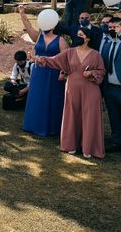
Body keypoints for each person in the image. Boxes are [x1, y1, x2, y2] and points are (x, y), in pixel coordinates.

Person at [32, 27, 105, 158]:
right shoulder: (69, 52)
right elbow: (54, 60)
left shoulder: (96, 54)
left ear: (87, 38)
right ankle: (70, 145)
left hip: (90, 90)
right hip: (72, 88)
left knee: (89, 117)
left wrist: (91, 73)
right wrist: (38, 58)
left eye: (80, 35)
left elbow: (101, 72)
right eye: (76, 35)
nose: (77, 37)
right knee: (72, 115)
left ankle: (88, 148)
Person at [19, 5, 68, 137]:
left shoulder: (61, 40)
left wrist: (62, 73)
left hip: (53, 73)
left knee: (51, 99)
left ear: (53, 26)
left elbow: (65, 58)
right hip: (39, 72)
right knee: (37, 98)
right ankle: (33, 124)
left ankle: (51, 127)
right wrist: (22, 14)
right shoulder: (38, 37)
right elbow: (29, 28)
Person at [101, 17, 121, 152]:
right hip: (110, 88)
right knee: (114, 117)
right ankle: (116, 141)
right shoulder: (107, 45)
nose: (113, 30)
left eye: (116, 27)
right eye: (111, 28)